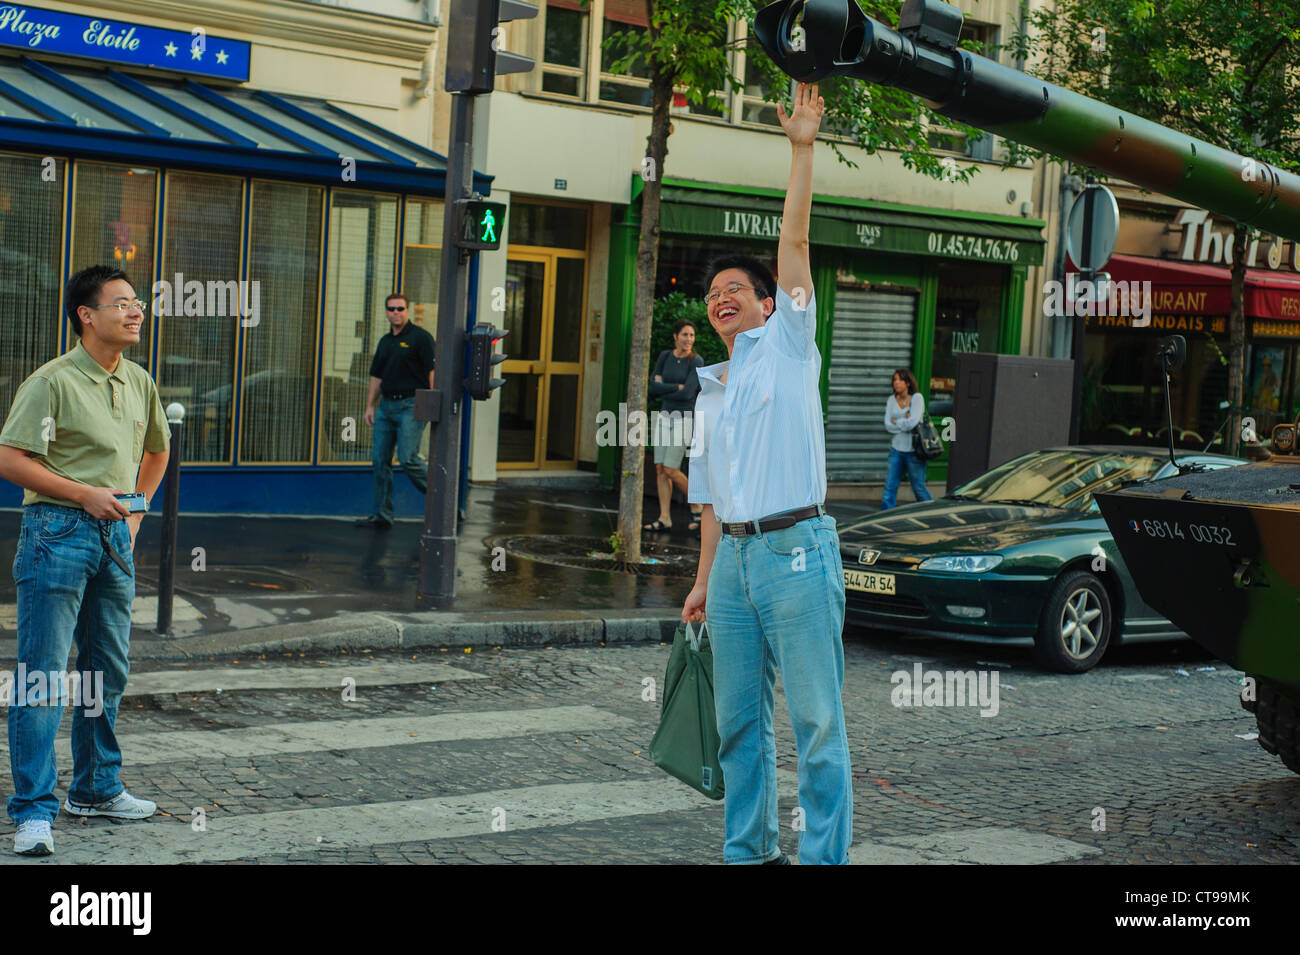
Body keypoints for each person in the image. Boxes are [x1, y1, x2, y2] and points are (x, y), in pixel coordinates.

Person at [681, 82, 852, 865]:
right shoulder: (709, 390)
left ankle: (822, 858)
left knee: (817, 723)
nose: (721, 299)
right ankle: (747, 852)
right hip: (736, 565)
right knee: (736, 725)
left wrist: (802, 150)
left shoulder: (790, 345)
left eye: (735, 291)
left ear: (765, 306)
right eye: (713, 294)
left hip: (796, 552)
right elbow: (711, 502)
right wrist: (702, 578)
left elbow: (796, 244)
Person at [0, 265, 171, 856]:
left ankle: (96, 788)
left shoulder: (139, 381)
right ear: (86, 315)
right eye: (122, 303)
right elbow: (11, 458)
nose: (136, 311)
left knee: (105, 671)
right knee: (43, 677)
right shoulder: (51, 383)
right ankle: (31, 811)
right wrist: (83, 495)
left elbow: (157, 450)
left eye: (138, 303)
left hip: (112, 538)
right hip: (56, 533)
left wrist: (133, 517)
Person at [356, 293, 435, 529]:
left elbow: (432, 372)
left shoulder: (421, 338)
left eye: (400, 308)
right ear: (386, 311)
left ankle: (443, 501)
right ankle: (382, 515)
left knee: (409, 458)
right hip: (386, 408)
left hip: (411, 405)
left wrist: (433, 403)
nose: (396, 312)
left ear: (408, 310)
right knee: (379, 460)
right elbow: (376, 375)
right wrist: (370, 406)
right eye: (391, 309)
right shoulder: (385, 342)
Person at [643, 319, 705, 534]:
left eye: (692, 335)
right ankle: (664, 518)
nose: (689, 339)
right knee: (660, 469)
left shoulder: (696, 361)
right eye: (685, 335)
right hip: (664, 416)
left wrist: (666, 388)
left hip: (683, 418)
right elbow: (652, 386)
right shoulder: (665, 357)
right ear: (675, 336)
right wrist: (673, 387)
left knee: (671, 468)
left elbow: (688, 392)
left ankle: (699, 506)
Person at [881, 368, 934, 510]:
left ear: (908, 382)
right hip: (896, 450)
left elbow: (913, 423)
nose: (896, 383)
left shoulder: (917, 398)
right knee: (889, 488)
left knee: (918, 488)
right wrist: (904, 420)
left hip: (914, 451)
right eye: (894, 380)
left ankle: (932, 513)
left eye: (900, 379)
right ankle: (885, 517)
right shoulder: (891, 400)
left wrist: (896, 422)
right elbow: (887, 425)